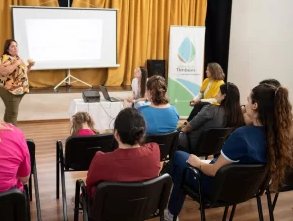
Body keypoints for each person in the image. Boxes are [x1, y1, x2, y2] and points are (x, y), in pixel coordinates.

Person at [164, 83, 293, 221]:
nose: (245, 104)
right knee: (180, 172)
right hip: (245, 191)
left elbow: (213, 171)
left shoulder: (241, 136)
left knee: (178, 158)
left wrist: (198, 163)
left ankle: (167, 208)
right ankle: (168, 204)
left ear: (255, 106)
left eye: (248, 100)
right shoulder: (275, 139)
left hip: (214, 187)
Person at [85, 108, 161, 197]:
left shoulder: (101, 160)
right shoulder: (154, 151)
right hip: (145, 207)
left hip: (109, 209)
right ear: (142, 133)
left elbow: (89, 182)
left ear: (116, 134)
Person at [178, 83, 245, 152]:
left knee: (174, 136)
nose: (217, 95)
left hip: (194, 144)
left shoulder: (210, 109)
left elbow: (189, 127)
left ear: (224, 96)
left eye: (219, 92)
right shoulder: (237, 115)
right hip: (216, 148)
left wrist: (181, 130)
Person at [0, 39, 35, 126]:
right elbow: (4, 72)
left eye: (16, 46)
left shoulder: (18, 58)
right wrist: (16, 63)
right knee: (13, 113)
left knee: (10, 111)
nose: (15, 48)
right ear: (7, 49)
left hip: (20, 90)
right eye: (12, 46)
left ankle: (6, 131)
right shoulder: (4, 58)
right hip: (8, 90)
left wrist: (29, 66)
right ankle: (14, 135)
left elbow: (23, 73)